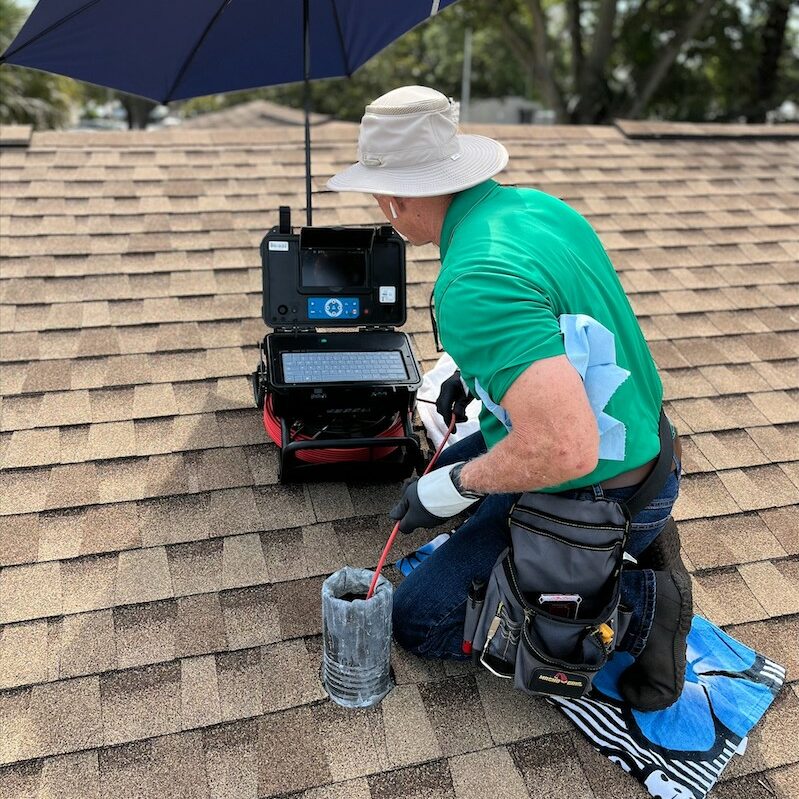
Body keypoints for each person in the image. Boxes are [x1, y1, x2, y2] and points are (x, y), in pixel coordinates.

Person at [327, 85, 692, 711]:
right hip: (642, 437)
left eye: (377, 193)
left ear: (399, 195)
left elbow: (563, 447)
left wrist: (459, 485)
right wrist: (480, 379)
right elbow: (567, 334)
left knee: (422, 620)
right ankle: (613, 539)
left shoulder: (472, 280)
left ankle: (646, 606)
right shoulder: (535, 209)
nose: (380, 206)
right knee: (441, 471)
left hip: (603, 481)